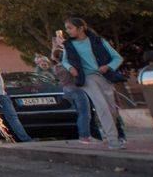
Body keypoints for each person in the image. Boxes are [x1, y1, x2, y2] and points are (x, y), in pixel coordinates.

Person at [59, 17, 126, 149]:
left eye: (70, 28)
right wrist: (71, 68)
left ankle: (113, 135)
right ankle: (113, 140)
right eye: (67, 28)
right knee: (101, 107)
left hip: (104, 77)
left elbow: (117, 58)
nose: (68, 31)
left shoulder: (98, 41)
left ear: (81, 28)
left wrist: (108, 67)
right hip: (87, 79)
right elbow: (65, 61)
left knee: (111, 108)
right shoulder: (69, 45)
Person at [36, 52, 94, 144]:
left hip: (66, 90)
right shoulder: (68, 67)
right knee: (85, 114)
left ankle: (84, 135)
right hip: (76, 90)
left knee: (80, 113)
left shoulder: (56, 68)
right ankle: (85, 136)